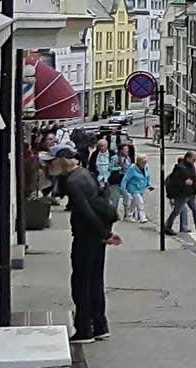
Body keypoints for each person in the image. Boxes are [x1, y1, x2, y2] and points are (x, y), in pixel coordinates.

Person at [49, 147, 119, 344]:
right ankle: (100, 325)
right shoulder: (85, 173)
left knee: (81, 281)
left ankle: (84, 329)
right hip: (98, 233)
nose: (49, 165)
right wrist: (105, 234)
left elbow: (85, 211)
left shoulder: (72, 181)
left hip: (87, 235)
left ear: (62, 161)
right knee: (95, 280)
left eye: (52, 161)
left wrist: (105, 235)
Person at [164, 152, 196, 234]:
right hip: (182, 194)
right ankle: (167, 227)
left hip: (190, 193)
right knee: (177, 211)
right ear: (187, 158)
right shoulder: (180, 168)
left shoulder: (191, 167)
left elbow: (193, 179)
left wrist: (194, 190)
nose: (195, 161)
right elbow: (173, 181)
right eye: (193, 159)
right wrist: (184, 182)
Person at [121, 155, 152, 224]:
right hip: (134, 188)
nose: (144, 164)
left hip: (141, 187)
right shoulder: (132, 168)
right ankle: (142, 218)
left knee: (135, 203)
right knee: (140, 202)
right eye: (143, 163)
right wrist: (123, 187)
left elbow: (147, 176)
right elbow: (126, 178)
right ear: (138, 162)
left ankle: (129, 215)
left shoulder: (146, 167)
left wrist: (149, 184)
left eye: (145, 162)